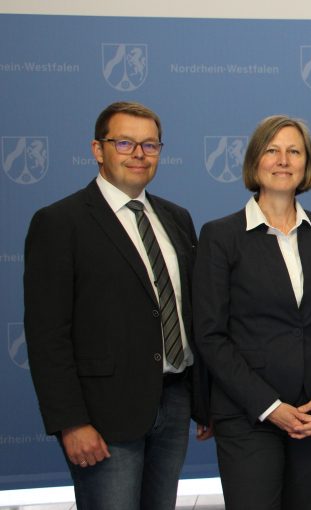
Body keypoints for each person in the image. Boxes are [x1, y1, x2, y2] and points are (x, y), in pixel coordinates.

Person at [23, 101, 211, 510]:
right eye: (124, 143)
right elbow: (46, 335)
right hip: (103, 415)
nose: (139, 155)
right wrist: (71, 423)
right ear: (97, 149)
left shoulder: (177, 218)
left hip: (174, 400)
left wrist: (204, 400)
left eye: (150, 145)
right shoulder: (60, 222)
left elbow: (189, 313)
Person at [193, 115, 311, 510]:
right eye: (272, 150)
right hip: (249, 414)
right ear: (255, 162)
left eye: (294, 151)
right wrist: (270, 407)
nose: (283, 160)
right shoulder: (221, 236)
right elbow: (211, 336)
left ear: (307, 164)